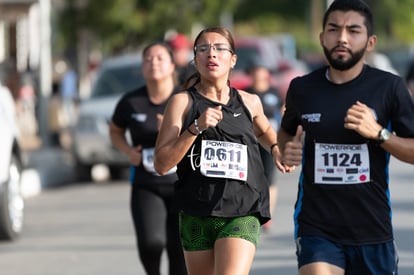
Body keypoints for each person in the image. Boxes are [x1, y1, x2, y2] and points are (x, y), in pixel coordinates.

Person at [277, 1, 414, 274]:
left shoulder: (390, 87)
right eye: (334, 29)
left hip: (373, 229)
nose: (342, 37)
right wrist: (286, 148)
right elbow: (286, 134)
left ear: (370, 41)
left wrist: (379, 133)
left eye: (353, 30)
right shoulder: (302, 88)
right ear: (321, 37)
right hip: (316, 227)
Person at [153, 26, 290, 275]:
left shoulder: (250, 101)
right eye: (203, 49)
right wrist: (195, 128)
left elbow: (263, 131)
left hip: (242, 209)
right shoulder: (182, 103)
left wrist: (276, 148)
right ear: (195, 60)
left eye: (219, 48)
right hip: (196, 209)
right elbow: (161, 164)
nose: (211, 54)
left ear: (233, 59)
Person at [109, 42, 187, 275]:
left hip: (182, 185)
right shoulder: (131, 101)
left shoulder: (184, 98)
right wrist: (127, 151)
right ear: (142, 67)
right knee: (151, 243)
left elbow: (202, 132)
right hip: (146, 183)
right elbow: (115, 131)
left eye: (160, 58)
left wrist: (173, 132)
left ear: (172, 65)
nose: (153, 63)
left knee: (179, 249)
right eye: (148, 59)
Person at [245, 57, 284, 231]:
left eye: (262, 70)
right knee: (251, 176)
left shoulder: (274, 93)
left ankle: (267, 214)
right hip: (250, 141)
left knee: (269, 178)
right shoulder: (245, 94)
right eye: (255, 70)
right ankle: (251, 210)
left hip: (270, 140)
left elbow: (284, 111)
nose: (259, 74)